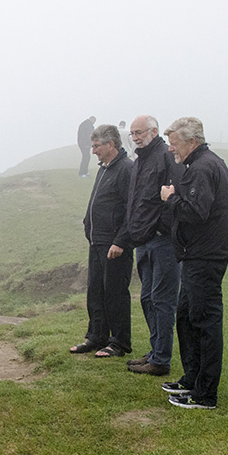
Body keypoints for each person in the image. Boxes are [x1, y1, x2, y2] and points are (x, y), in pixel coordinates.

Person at [160, 117, 228, 409]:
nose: (170, 149)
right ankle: (192, 379)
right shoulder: (200, 165)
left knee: (204, 321)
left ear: (192, 141)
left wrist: (171, 198)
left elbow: (197, 212)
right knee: (187, 317)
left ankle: (205, 394)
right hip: (196, 255)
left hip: (205, 257)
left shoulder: (203, 167)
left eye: (174, 143)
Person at [124, 115, 183, 376]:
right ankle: (154, 351)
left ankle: (161, 359)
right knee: (147, 298)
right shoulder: (140, 160)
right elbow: (137, 200)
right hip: (145, 240)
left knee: (162, 300)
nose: (135, 137)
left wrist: (162, 226)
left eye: (140, 132)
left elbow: (174, 195)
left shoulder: (165, 156)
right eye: (133, 133)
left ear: (154, 131)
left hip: (163, 240)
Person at [69, 124, 135, 358]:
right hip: (97, 241)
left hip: (115, 245)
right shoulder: (105, 168)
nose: (93, 150)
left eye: (97, 146)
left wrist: (120, 241)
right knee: (95, 290)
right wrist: (89, 224)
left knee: (115, 292)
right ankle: (97, 336)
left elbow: (131, 210)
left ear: (111, 144)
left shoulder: (126, 169)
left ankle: (119, 342)